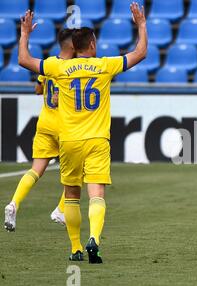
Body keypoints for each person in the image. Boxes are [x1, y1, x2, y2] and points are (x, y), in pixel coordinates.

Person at [17, 2, 148, 263]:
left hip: (69, 142)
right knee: (96, 194)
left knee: (72, 196)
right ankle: (95, 240)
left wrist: (24, 35)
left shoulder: (59, 67)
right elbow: (140, 53)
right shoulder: (105, 66)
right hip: (98, 140)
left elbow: (24, 60)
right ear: (91, 45)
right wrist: (141, 25)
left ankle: (76, 248)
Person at [4, 28, 76, 232]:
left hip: (45, 122)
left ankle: (14, 204)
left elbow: (37, 89)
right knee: (78, 171)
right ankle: (61, 210)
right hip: (65, 126)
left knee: (36, 170)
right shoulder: (75, 67)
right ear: (72, 45)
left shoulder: (49, 64)